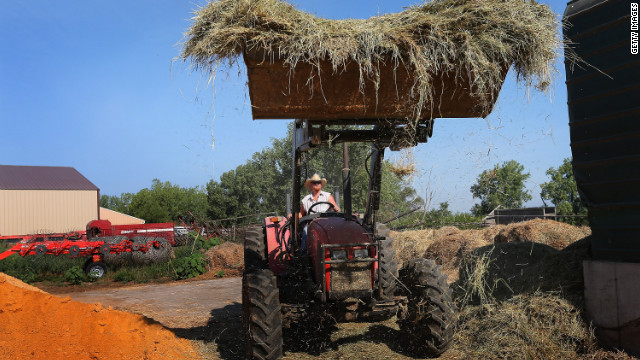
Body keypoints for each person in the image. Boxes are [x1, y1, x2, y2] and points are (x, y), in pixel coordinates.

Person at [299, 173, 340, 252]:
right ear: (311, 185)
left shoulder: (328, 196)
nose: (317, 184)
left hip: (327, 222)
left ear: (321, 185)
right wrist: (294, 216)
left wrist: (336, 208)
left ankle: (337, 250)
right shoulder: (305, 200)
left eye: (319, 182)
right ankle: (303, 254)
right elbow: (301, 213)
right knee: (305, 231)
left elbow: (335, 207)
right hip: (311, 223)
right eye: (314, 182)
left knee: (337, 229)